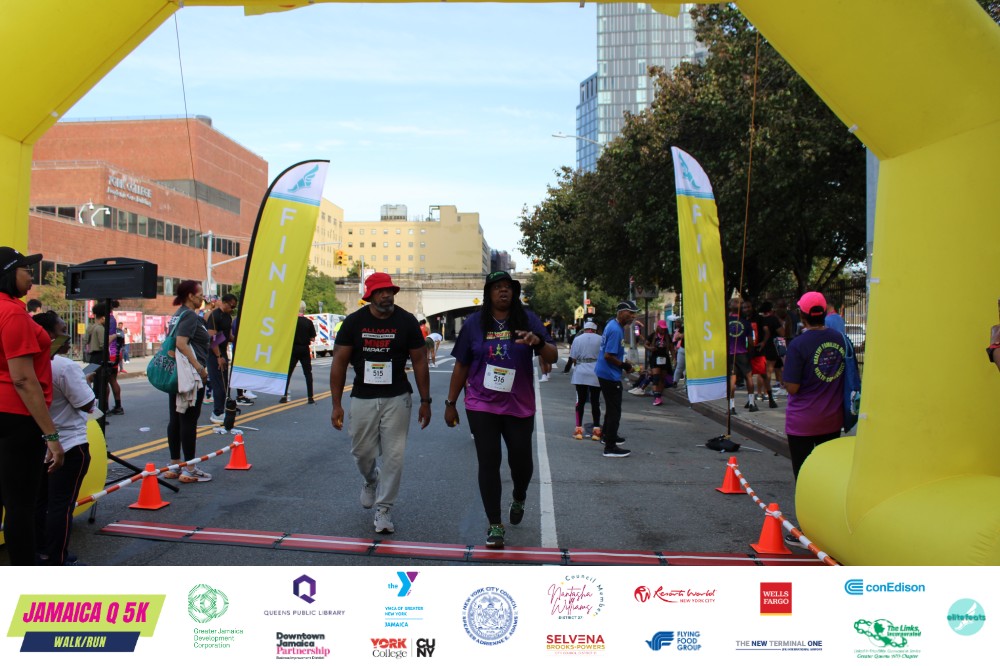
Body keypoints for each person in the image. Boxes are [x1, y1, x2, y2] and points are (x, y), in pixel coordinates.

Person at [443, 270, 555, 549]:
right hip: (481, 403)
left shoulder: (527, 319)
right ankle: (495, 524)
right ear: (488, 293)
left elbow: (552, 355)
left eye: (508, 287)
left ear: (514, 292)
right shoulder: (474, 324)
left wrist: (539, 342)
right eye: (497, 287)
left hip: (519, 404)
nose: (503, 291)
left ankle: (519, 495)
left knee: (521, 461)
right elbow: (462, 365)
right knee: (489, 461)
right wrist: (450, 403)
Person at [330, 273, 431, 535]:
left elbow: (420, 360)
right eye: (380, 291)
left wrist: (425, 400)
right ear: (370, 296)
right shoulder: (354, 322)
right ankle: (370, 479)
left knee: (394, 456)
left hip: (397, 396)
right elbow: (339, 361)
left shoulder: (406, 321)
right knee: (362, 452)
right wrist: (336, 404)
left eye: (390, 291)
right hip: (362, 396)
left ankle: (384, 509)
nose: (387, 295)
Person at [0, 247, 63, 566]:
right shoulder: (12, 313)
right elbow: (24, 380)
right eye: (26, 269)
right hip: (17, 417)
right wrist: (52, 437)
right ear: (9, 273)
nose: (31, 276)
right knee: (20, 506)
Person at [32, 311, 93, 565]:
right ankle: (57, 558)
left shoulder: (26, 364)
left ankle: (40, 551)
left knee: (39, 503)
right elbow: (87, 404)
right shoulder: (65, 366)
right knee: (62, 505)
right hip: (69, 443)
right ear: (48, 335)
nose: (67, 337)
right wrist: (85, 382)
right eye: (62, 331)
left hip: (39, 443)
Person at [783, 291, 845, 483]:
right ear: (824, 312)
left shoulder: (798, 344)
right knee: (828, 477)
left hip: (802, 422)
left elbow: (792, 388)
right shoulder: (840, 338)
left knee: (804, 477)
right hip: (832, 419)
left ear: (802, 316)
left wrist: (786, 366)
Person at [161, 280, 212, 483]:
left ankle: (175, 465)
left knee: (175, 418)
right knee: (189, 420)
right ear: (190, 296)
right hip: (189, 375)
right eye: (200, 295)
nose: (203, 298)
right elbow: (182, 343)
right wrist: (199, 368)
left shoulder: (178, 314)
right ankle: (189, 468)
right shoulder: (190, 315)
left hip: (177, 374)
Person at [594, 301, 639, 458]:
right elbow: (608, 355)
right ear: (620, 312)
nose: (633, 316)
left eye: (634, 313)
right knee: (615, 411)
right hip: (609, 374)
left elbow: (612, 352)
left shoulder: (614, 325)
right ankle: (610, 447)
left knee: (611, 407)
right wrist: (625, 366)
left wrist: (624, 361)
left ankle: (607, 435)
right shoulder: (615, 329)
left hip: (605, 371)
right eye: (630, 312)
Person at [206, 293, 239, 422]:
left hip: (223, 353)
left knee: (224, 384)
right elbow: (212, 338)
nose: (232, 309)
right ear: (224, 303)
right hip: (215, 355)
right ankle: (217, 412)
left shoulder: (228, 317)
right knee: (219, 385)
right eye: (231, 306)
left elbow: (228, 336)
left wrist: (239, 340)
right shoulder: (214, 316)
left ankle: (221, 410)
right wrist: (218, 356)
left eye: (234, 307)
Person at [569, 320, 602, 441]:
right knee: (595, 402)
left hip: (581, 372)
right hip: (595, 372)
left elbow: (573, 358)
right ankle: (596, 430)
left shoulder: (577, 339)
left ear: (585, 329)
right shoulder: (601, 339)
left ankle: (578, 430)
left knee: (580, 402)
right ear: (595, 330)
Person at [282, 302, 316, 404]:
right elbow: (312, 338)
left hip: (293, 348)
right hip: (304, 348)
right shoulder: (308, 322)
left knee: (288, 372)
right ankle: (310, 397)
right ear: (304, 309)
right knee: (308, 373)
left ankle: (284, 395)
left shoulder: (291, 322)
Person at [727, 298, 756, 414]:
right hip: (742, 353)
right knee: (749, 377)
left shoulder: (725, 322)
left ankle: (731, 406)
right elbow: (751, 342)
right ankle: (752, 403)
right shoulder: (746, 323)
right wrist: (750, 353)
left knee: (732, 379)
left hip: (730, 354)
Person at [644, 319, 673, 406]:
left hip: (665, 359)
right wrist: (650, 348)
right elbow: (645, 344)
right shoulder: (653, 335)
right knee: (656, 377)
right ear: (658, 327)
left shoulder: (667, 336)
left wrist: (674, 358)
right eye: (661, 328)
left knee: (662, 378)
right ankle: (656, 397)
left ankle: (659, 396)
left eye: (664, 328)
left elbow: (671, 348)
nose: (663, 329)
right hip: (655, 358)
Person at [671, 319, 686, 387]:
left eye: (678, 322)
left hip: (692, 351)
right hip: (682, 349)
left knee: (688, 369)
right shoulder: (683, 328)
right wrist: (681, 335)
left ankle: (687, 384)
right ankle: (675, 381)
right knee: (679, 366)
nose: (676, 324)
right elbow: (676, 338)